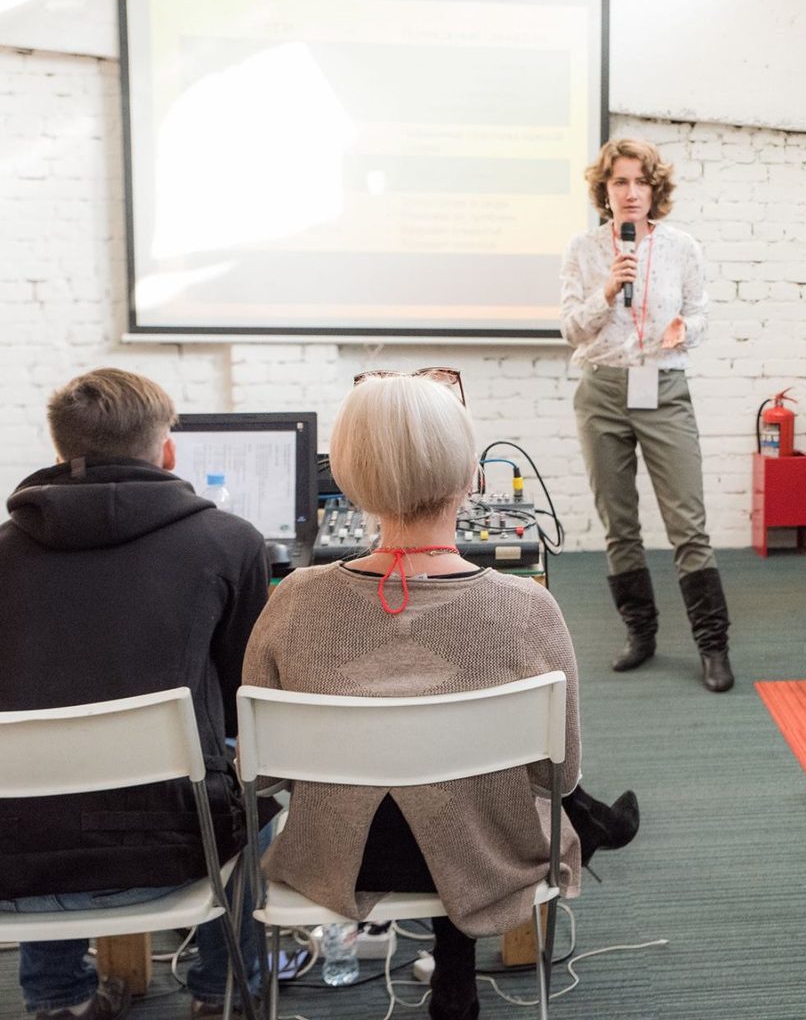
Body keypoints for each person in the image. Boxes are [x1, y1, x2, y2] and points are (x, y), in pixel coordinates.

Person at [242, 372, 584, 1020]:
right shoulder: (529, 608)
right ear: (468, 476)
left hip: (340, 859)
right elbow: (560, 774)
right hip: (487, 855)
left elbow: (262, 776)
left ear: (348, 476)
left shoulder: (293, 604)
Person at [0, 368, 269, 1020]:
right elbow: (250, 701)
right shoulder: (232, 543)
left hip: (14, 863)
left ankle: (58, 997)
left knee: (40, 778)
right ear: (167, 448)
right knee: (256, 783)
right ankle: (222, 991)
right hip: (180, 853)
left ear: (60, 451)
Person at [558, 138, 734, 693]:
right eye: (619, 182)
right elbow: (571, 329)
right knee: (620, 524)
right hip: (603, 392)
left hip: (663, 386)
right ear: (604, 190)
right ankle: (641, 635)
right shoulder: (585, 251)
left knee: (688, 524)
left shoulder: (682, 247)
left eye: (640, 181)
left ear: (654, 189)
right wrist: (607, 289)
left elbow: (700, 310)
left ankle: (713, 646)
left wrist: (688, 328)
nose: (631, 193)